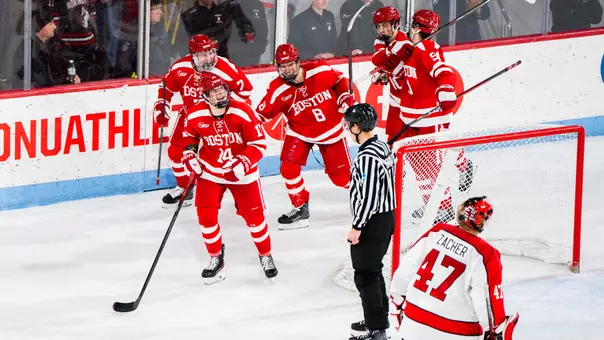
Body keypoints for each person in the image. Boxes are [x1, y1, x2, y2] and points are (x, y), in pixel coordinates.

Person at [180, 72, 277, 284]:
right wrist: (189, 155)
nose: (220, 94)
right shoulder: (195, 114)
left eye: (221, 89)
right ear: (205, 96)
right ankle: (216, 257)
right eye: (214, 92)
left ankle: (265, 254)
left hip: (242, 174)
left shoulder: (243, 111)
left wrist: (243, 161)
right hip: (210, 172)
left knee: (255, 219)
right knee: (206, 217)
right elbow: (189, 137)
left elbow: (259, 143)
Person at [382, 9, 475, 223]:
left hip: (428, 119)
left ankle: (442, 209)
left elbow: (444, 71)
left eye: (412, 24)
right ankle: (463, 166)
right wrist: (392, 68)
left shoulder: (427, 48)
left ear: (416, 27)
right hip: (410, 118)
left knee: (427, 168)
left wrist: (445, 89)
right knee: (421, 163)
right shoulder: (411, 48)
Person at [389, 196, 520, 340]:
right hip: (456, 332)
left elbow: (407, 267)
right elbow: (485, 302)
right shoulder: (486, 254)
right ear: (484, 223)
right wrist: (496, 330)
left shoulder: (437, 231)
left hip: (413, 326)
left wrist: (397, 301)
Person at [255, 43, 356, 230]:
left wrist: (343, 97)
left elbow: (340, 80)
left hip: (331, 131)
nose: (287, 69)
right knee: (288, 168)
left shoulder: (318, 70)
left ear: (298, 61)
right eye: (283, 66)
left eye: (290, 64)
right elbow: (260, 115)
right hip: (299, 132)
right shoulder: (277, 89)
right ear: (277, 67)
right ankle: (300, 208)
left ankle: (366, 197)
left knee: (341, 179)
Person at [153, 34, 253, 207]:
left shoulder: (225, 67)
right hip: (191, 117)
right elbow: (166, 88)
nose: (208, 58)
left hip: (220, 117)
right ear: (193, 55)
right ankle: (185, 188)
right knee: (176, 152)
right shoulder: (180, 68)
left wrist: (226, 109)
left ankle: (241, 191)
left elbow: (246, 91)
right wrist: (162, 105)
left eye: (210, 53)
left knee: (229, 155)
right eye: (202, 54)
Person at [344, 103, 395, 340]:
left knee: (365, 274)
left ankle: (377, 330)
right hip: (385, 218)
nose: (348, 129)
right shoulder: (382, 146)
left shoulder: (367, 157)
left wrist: (357, 227)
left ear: (357, 127)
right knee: (373, 272)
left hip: (373, 222)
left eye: (349, 125)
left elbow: (369, 198)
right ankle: (376, 318)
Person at [370, 6, 412, 146]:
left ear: (395, 24)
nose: (381, 29)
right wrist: (385, 71)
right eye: (379, 26)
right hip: (395, 98)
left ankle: (463, 163)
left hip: (411, 100)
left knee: (419, 139)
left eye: (385, 25)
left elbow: (408, 75)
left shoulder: (406, 43)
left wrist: (394, 69)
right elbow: (377, 59)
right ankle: (396, 168)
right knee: (393, 139)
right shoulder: (380, 40)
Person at [13, 6, 82, 88]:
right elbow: (43, 81)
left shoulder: (47, 46)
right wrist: (65, 80)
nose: (54, 27)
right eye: (51, 23)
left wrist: (71, 77)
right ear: (40, 26)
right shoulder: (30, 50)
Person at [114, 0, 171, 78]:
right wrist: (134, 76)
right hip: (139, 77)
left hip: (160, 75)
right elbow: (124, 61)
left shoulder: (160, 27)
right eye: (157, 12)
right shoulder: (134, 29)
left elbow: (166, 53)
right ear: (146, 12)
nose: (161, 13)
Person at [180, 0, 255, 59]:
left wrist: (247, 32)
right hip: (201, 62)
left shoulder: (224, 10)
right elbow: (186, 41)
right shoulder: (188, 16)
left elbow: (242, 23)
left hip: (224, 58)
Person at [228, 0, 269, 66]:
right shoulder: (232, 5)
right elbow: (229, 31)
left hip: (254, 55)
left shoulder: (258, 5)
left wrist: (259, 49)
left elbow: (264, 31)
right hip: (236, 55)